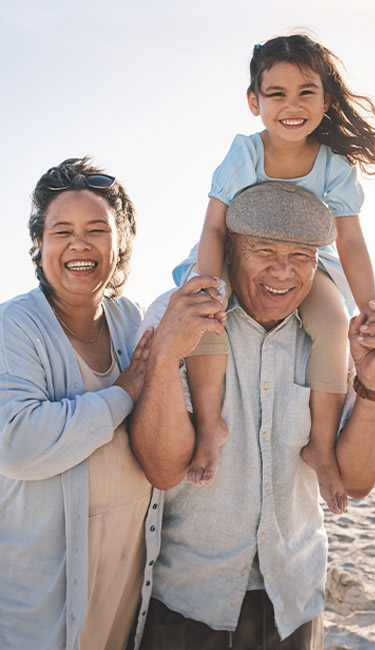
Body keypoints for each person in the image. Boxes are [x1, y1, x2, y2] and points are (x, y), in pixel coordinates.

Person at [130, 182, 375, 650]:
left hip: (293, 599)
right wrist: (163, 357)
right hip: (188, 600)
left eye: (302, 256)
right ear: (231, 250)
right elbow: (160, 467)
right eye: (264, 251)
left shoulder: (334, 334)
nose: (283, 271)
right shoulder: (174, 315)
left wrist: (372, 384)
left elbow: (357, 482)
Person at [176, 34, 375, 514]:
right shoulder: (244, 153)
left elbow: (351, 242)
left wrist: (369, 309)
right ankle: (208, 425)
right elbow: (214, 225)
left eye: (306, 92)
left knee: (330, 327)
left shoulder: (334, 163)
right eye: (276, 93)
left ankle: (321, 446)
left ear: (326, 99)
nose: (292, 105)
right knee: (207, 319)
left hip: (307, 264)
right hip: (230, 255)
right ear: (253, 101)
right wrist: (207, 284)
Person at [0, 158, 195, 650]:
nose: (79, 244)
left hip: (124, 584)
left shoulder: (130, 321)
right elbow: (17, 442)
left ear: (120, 243)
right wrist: (124, 392)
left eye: (96, 230)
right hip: (38, 604)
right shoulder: (15, 326)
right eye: (60, 230)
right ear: (39, 245)